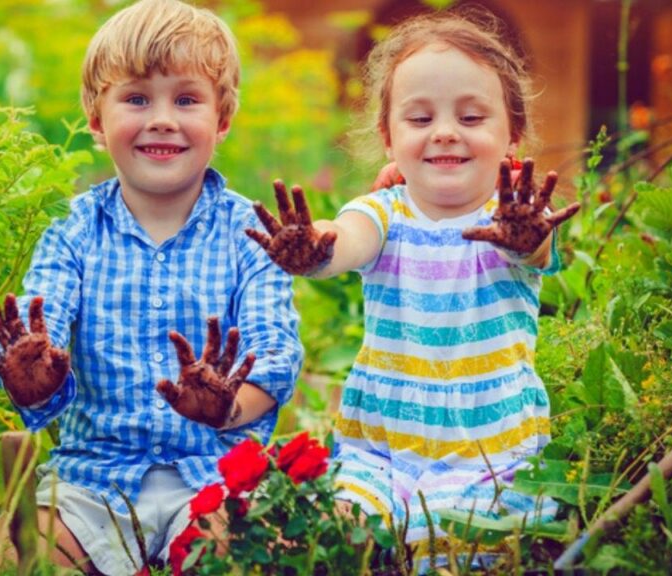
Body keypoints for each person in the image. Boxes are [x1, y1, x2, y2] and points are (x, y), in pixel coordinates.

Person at [0, 0, 303, 573]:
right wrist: (34, 378)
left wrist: (224, 409)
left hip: (214, 472)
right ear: (97, 120)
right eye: (135, 99)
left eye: (186, 99)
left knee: (244, 551)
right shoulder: (73, 233)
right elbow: (39, 327)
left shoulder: (249, 235)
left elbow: (275, 356)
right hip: (91, 479)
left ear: (222, 119)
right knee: (12, 552)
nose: (162, 119)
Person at [246, 9, 579, 545]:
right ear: (388, 136)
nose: (445, 133)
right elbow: (348, 239)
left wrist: (528, 238)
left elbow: (537, 253)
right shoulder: (384, 212)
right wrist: (314, 250)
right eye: (420, 120)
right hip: (378, 454)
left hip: (487, 459)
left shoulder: (514, 219)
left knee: (452, 541)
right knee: (338, 529)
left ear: (512, 134)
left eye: (471, 119)